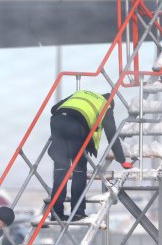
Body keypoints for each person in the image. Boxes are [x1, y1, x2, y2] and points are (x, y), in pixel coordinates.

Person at [49, 90, 132, 221]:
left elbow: (54, 109)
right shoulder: (106, 106)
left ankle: (56, 213)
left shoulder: (82, 93)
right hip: (76, 128)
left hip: (57, 121)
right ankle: (77, 212)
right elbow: (112, 136)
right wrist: (122, 160)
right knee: (79, 171)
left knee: (61, 170)